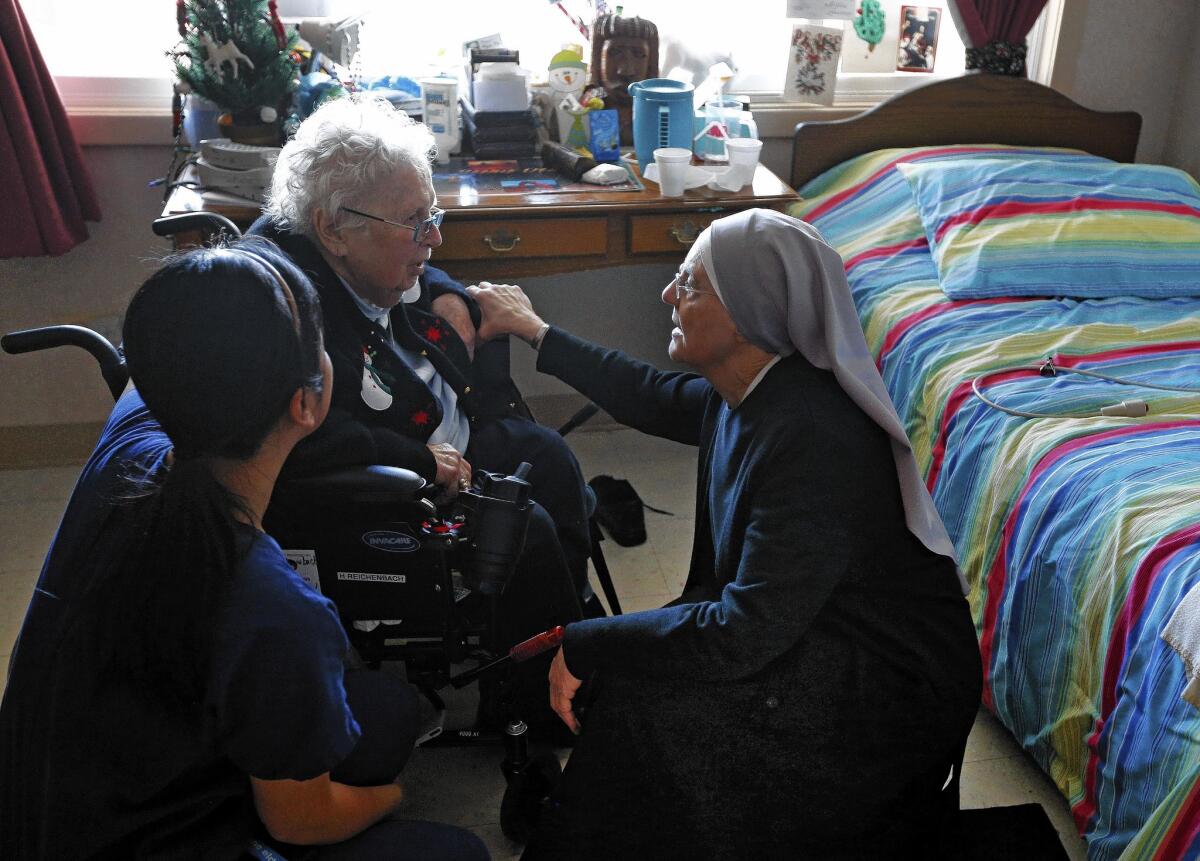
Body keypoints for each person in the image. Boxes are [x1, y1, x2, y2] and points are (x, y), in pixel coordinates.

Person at [469, 209, 983, 859]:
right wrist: (536, 332)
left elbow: (741, 633)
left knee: (643, 697)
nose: (667, 294)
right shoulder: (747, 390)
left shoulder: (814, 438)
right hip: (815, 630)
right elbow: (648, 394)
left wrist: (587, 639)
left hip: (883, 690)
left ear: (747, 309)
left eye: (689, 284)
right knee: (634, 683)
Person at [0, 240, 489, 860]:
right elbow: (300, 822)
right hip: (149, 840)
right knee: (455, 852)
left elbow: (205, 307)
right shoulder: (272, 609)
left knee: (388, 709)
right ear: (308, 403)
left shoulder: (136, 429)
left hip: (53, 799)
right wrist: (391, 798)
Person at [251, 95, 592, 731]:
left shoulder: (352, 249)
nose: (434, 237)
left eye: (431, 215)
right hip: (389, 490)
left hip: (445, 446)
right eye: (416, 223)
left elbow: (421, 275)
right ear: (331, 229)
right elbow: (303, 440)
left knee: (546, 455)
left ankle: (568, 635)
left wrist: (450, 295)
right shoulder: (285, 316)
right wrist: (416, 460)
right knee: (530, 529)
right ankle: (532, 707)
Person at [587, 11, 659, 145]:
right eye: (615, 53)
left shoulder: (658, 115)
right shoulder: (587, 109)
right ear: (598, 60)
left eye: (638, 54)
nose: (626, 71)